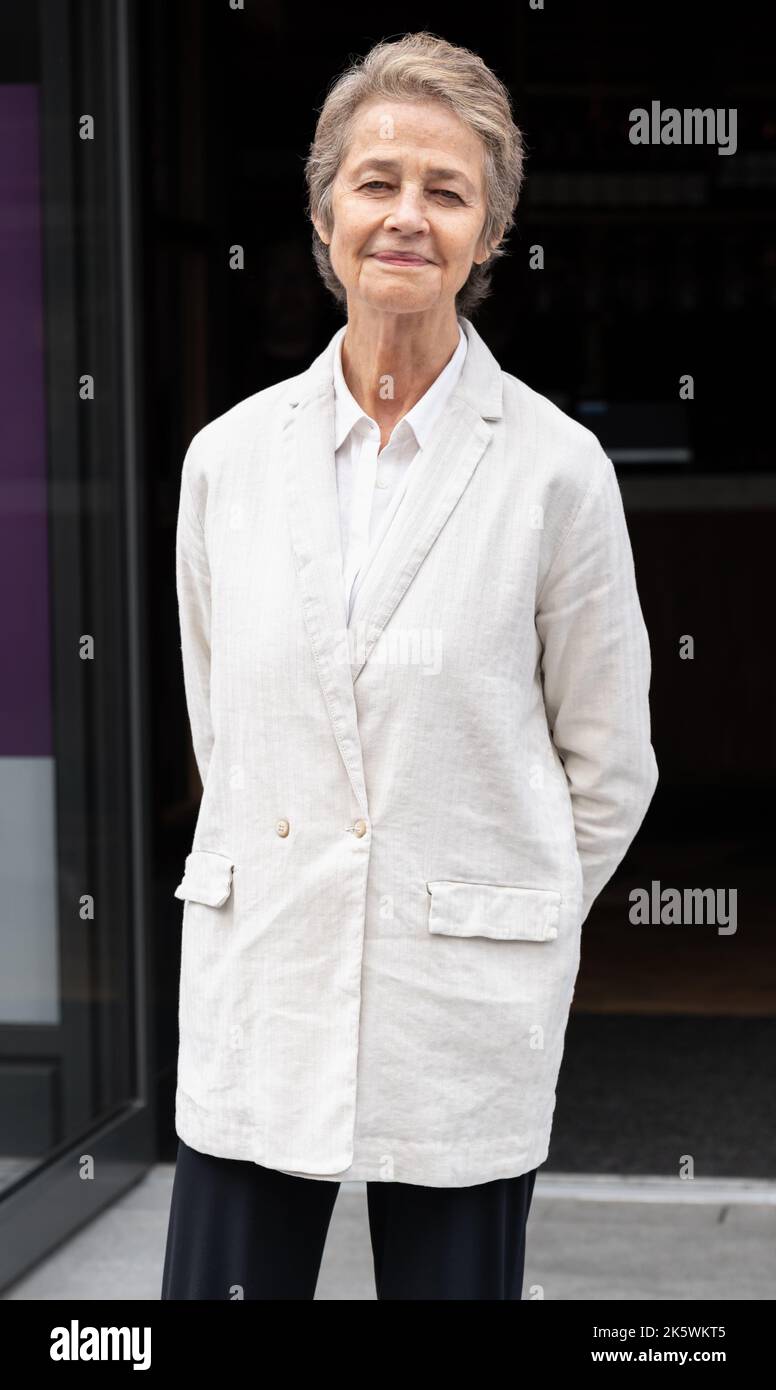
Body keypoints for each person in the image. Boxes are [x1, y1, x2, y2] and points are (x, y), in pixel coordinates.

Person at [161, 30, 658, 1301]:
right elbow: (231, 726)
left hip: (461, 1001)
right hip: (265, 970)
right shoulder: (226, 461)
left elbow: (607, 766)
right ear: (325, 206)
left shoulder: (554, 471)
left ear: (487, 234)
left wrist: (508, 901)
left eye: (446, 191)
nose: (405, 217)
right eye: (376, 180)